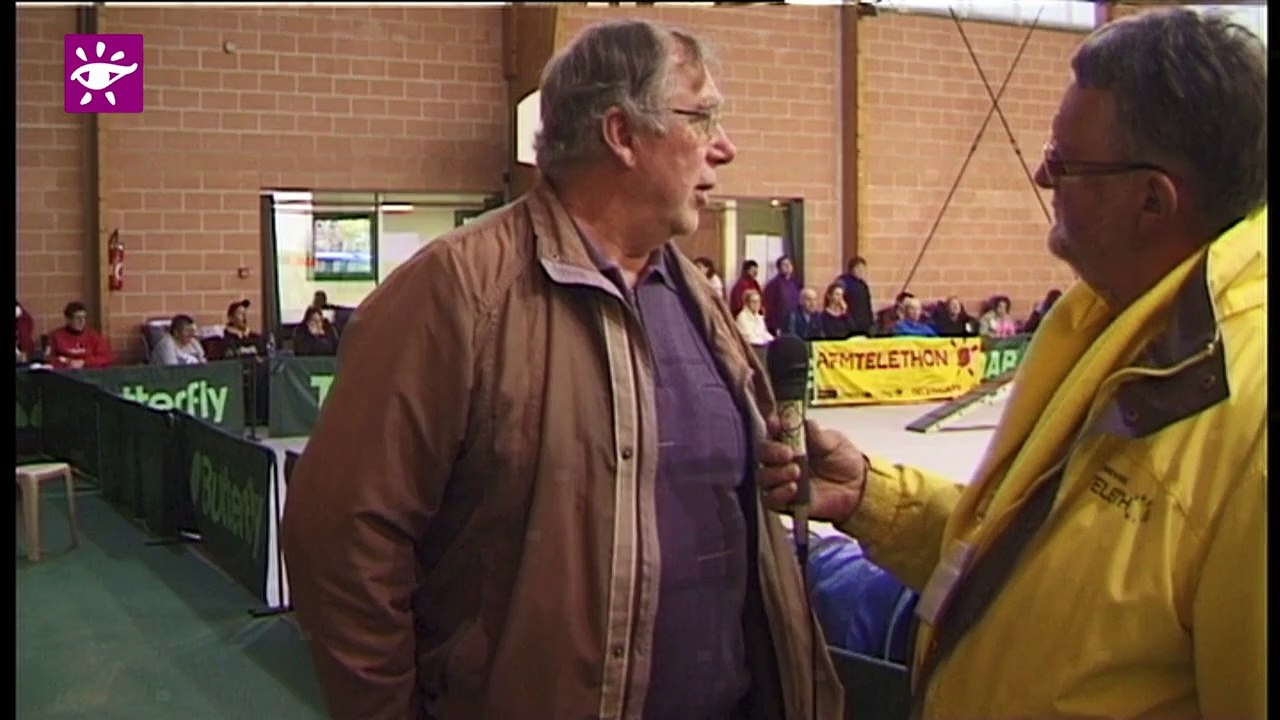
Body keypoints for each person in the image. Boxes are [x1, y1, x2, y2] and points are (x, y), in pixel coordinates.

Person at [282, 19, 841, 720]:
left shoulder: (699, 297)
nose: (724, 148)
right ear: (621, 134)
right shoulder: (455, 291)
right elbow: (340, 539)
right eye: (703, 119)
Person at [757, 8, 1266, 719]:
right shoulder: (1101, 324)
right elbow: (1030, 572)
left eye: (1065, 164)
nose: (1040, 174)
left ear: (1154, 200)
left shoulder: (1246, 409)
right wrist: (870, 496)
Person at [46, 301, 112, 369]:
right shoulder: (55, 336)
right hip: (65, 374)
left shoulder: (94, 336)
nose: (82, 321)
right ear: (68, 319)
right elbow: (48, 359)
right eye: (78, 318)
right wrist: (67, 363)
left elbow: (106, 358)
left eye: (84, 317)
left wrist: (84, 362)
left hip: (89, 375)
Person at [761, 255, 801, 334]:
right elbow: (769, 306)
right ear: (779, 268)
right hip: (779, 324)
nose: (787, 266)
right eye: (784, 264)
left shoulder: (795, 283)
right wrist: (775, 326)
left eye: (789, 264)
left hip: (794, 322)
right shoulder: (773, 285)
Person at [835, 257, 874, 335]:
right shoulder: (843, 282)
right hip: (848, 323)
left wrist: (870, 320)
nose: (861, 271)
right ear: (851, 269)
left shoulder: (863, 285)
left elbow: (868, 304)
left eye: (863, 269)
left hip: (864, 324)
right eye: (858, 268)